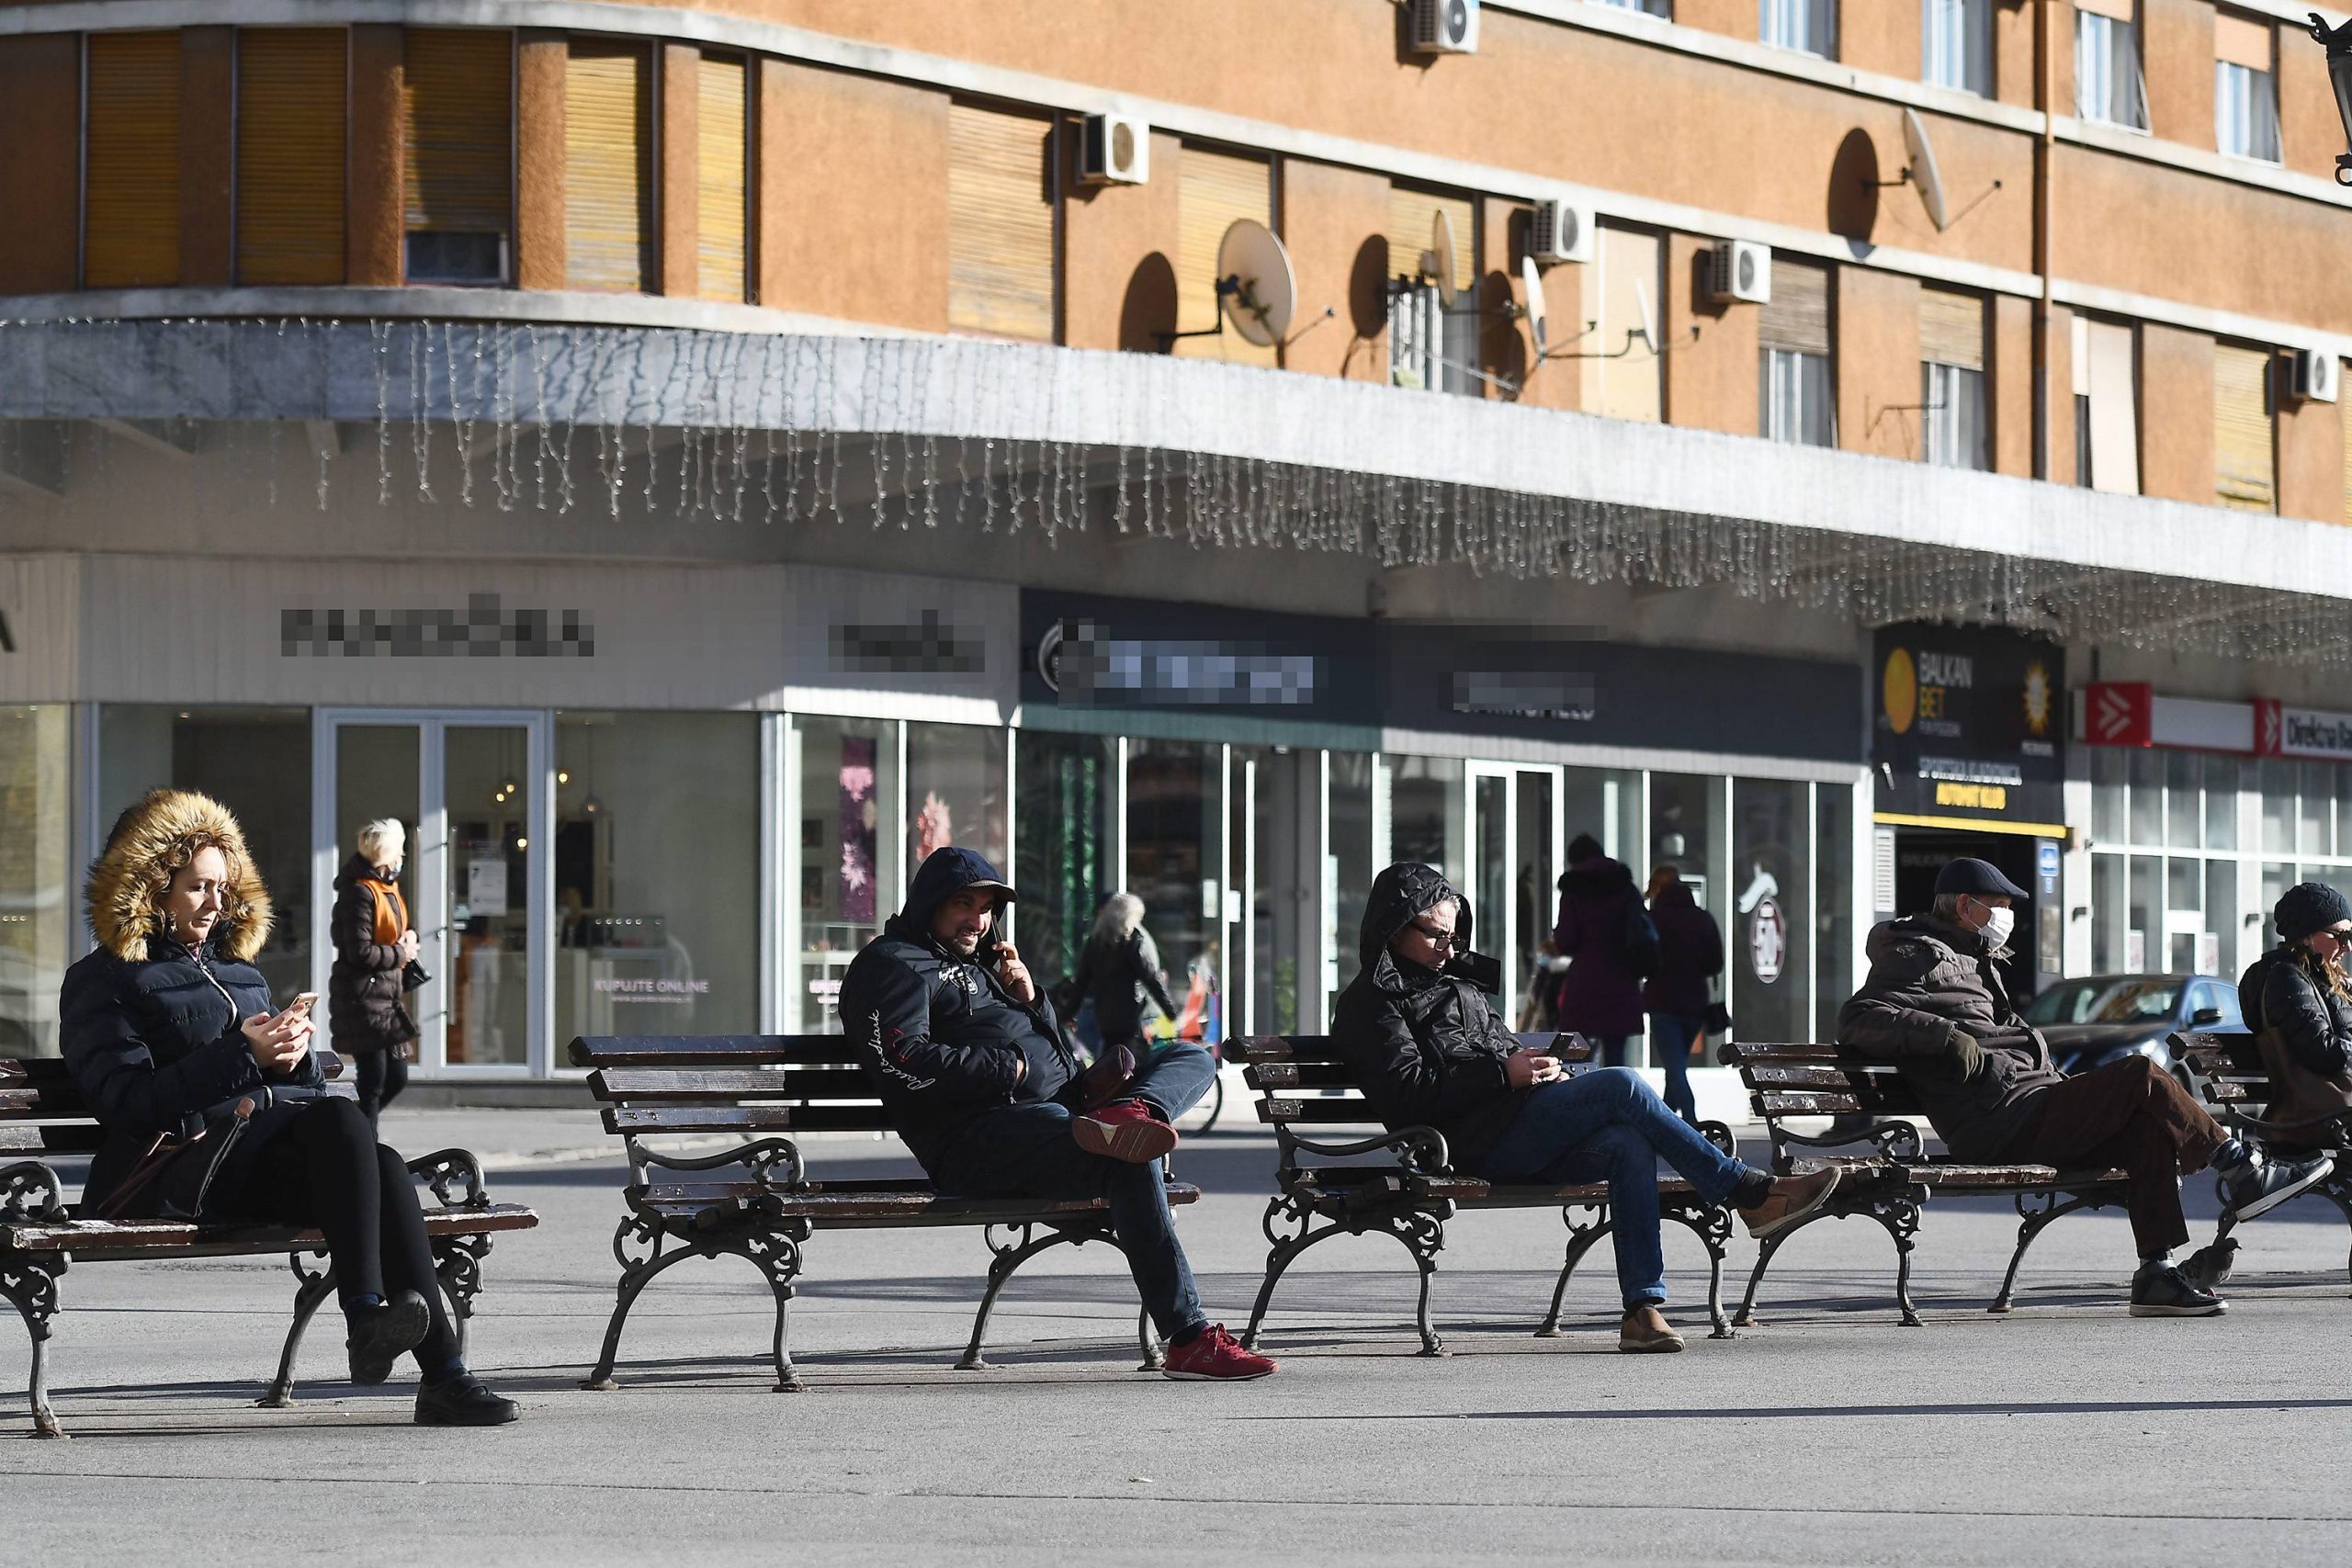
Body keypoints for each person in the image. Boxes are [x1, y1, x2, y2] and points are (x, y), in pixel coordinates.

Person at [58, 788, 516, 1425]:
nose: (217, 902)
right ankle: (368, 1321)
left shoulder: (241, 973)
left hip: (250, 1164)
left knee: (380, 1160)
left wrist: (294, 1054)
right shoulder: (104, 980)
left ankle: (443, 1374)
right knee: (341, 1121)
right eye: (198, 887)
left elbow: (286, 1085)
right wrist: (244, 1055)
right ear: (150, 885)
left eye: (223, 887)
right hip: (172, 1174)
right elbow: (129, 1102)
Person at [1333, 863, 1841, 1353]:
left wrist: (1531, 1066)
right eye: (1434, 935)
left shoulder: (1457, 987)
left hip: (1513, 1125)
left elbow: (1500, 1047)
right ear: (1394, 928)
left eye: (1453, 935)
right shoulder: (1371, 1003)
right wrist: (1500, 1074)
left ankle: (1643, 1310)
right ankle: (1749, 1193)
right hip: (1460, 1146)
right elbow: (1404, 1092)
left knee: (1626, 1142)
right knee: (1621, 1084)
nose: (1448, 948)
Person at [837, 846, 1275, 1380]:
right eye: (962, 904)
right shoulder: (892, 966)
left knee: (1188, 1056)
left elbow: (1056, 1055)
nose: (977, 920)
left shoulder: (986, 966)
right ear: (929, 903)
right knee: (1124, 1159)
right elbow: (902, 1061)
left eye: (986, 908)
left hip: (1062, 1111)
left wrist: (1032, 1000)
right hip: (978, 1139)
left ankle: (1133, 1111)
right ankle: (1188, 1338)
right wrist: (1011, 1068)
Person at [1837, 856, 2333, 1318]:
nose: (2007, 917)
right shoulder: (1916, 956)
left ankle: (2156, 1275)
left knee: (2145, 1128)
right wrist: (1944, 1036)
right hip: (1997, 1118)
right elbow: (1859, 1017)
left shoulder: (1976, 958)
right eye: (2001, 907)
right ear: (1967, 907)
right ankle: (2243, 1171)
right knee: (2139, 1073)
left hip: (2025, 1102)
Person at [2236, 882, 2352, 1150]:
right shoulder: (2287, 979)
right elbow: (2320, 1051)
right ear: (2306, 935)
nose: (2347, 947)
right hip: (2326, 1115)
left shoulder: (2326, 981)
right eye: (2340, 936)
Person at [330, 818, 421, 1125]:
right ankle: (361, 1148)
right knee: (373, 1083)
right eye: (400, 852)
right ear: (388, 855)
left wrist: (407, 940)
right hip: (364, 998)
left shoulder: (385, 889)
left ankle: (352, 1133)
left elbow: (391, 934)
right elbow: (360, 951)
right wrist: (401, 952)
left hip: (385, 998)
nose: (402, 859)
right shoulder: (359, 892)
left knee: (396, 1077)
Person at [1552, 834, 1654, 1068]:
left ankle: (1585, 1100)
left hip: (1585, 981)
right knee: (1616, 1055)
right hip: (1621, 978)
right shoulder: (1625, 887)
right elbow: (1642, 929)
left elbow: (1566, 940)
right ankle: (1615, 1100)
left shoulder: (1574, 889)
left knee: (1577, 1053)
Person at [1644, 865, 1724, 1126]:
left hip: (1663, 1001)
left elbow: (1642, 960)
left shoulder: (1653, 919)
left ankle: (1690, 1122)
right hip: (1694, 1003)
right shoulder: (1702, 918)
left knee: (1675, 1068)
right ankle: (1664, 1124)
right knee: (1675, 1067)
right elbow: (1715, 963)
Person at [1070, 891, 1182, 1053]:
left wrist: (1067, 1013)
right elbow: (1151, 979)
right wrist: (1170, 1011)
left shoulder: (1096, 942)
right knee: (1131, 1059)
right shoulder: (1133, 942)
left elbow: (1081, 982)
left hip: (1104, 1015)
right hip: (1130, 1015)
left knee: (1110, 1055)